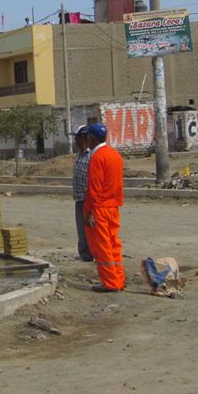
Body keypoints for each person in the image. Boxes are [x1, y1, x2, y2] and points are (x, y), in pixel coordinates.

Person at [82, 123, 126, 292]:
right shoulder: (115, 155)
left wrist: (90, 212)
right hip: (113, 207)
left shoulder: (97, 157)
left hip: (99, 208)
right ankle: (118, 279)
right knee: (114, 245)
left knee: (102, 248)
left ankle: (110, 283)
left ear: (91, 138)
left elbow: (95, 188)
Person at [71, 126, 94, 262]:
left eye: (77, 138)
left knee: (90, 228)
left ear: (84, 138)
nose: (75, 140)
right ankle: (84, 254)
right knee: (81, 228)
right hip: (79, 198)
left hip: (88, 199)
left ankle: (93, 253)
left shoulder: (92, 155)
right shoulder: (79, 154)